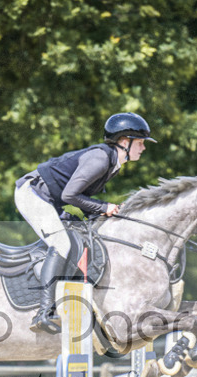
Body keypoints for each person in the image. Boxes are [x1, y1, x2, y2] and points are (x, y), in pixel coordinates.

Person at [14, 112, 155, 333]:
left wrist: (103, 212)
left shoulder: (111, 162)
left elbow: (75, 197)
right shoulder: (100, 159)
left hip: (52, 199)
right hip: (33, 194)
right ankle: (43, 313)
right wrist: (103, 207)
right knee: (61, 244)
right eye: (140, 143)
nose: (144, 148)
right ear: (125, 142)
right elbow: (70, 195)